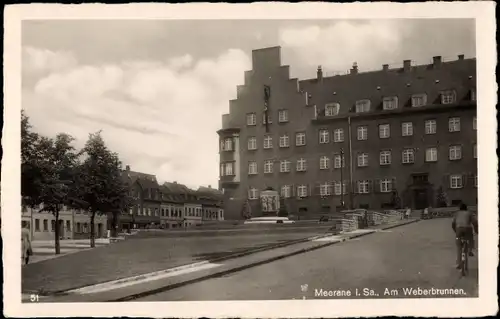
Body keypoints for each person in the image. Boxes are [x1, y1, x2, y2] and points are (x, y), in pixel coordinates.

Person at [452, 203, 478, 269]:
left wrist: (456, 231)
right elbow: (475, 222)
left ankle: (458, 263)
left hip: (458, 230)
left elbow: (453, 224)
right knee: (470, 238)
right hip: (467, 229)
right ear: (466, 208)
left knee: (459, 246)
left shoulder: (456, 214)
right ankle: (470, 250)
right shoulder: (469, 213)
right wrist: (476, 230)